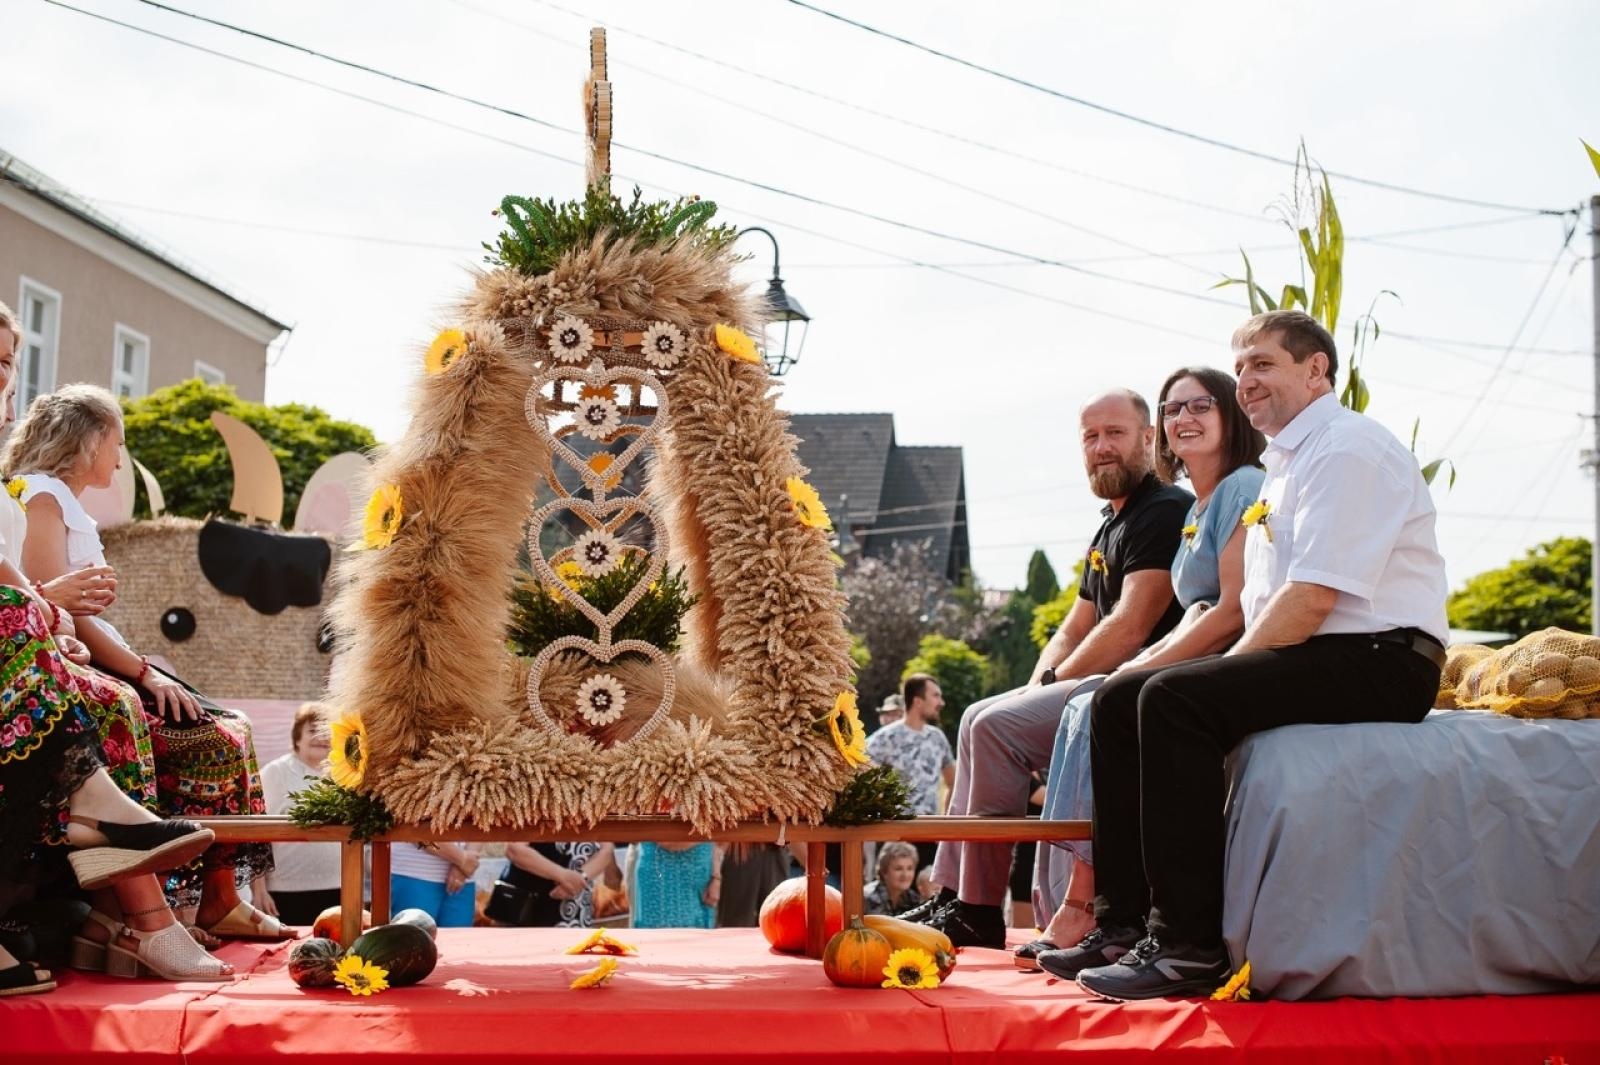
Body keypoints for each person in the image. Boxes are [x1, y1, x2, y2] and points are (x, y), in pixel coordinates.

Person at [1056, 311, 1448, 1001]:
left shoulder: (1346, 448)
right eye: (1239, 368)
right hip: (1325, 650)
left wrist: (1217, 671)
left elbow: (1313, 598)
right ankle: (1119, 924)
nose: (1245, 380)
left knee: (1172, 698)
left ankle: (1188, 949)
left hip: (1384, 659)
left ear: (1316, 369)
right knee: (1118, 698)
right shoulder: (1284, 465)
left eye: (1262, 364)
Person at [908, 390, 1192, 948]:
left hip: (1132, 688)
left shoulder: (1163, 511)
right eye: (1090, 437)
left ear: (1149, 437)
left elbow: (1131, 625)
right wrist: (1036, 687)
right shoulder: (1111, 524)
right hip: (1093, 682)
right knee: (977, 717)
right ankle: (950, 893)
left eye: (1115, 433)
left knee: (993, 727)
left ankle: (978, 910)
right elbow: (1074, 624)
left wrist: (1052, 688)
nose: (1101, 447)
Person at [5, 385, 288, 941]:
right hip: (76, 658)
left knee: (227, 730)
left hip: (90, 649)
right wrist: (142, 670)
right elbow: (60, 606)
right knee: (213, 736)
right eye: (118, 439)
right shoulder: (42, 495)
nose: (120, 454)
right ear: (89, 441)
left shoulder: (54, 498)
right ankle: (169, 906)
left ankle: (217, 898)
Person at [1024, 367, 1265, 971]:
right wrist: (1131, 669)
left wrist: (1137, 667)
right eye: (1174, 408)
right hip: (1195, 653)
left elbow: (1231, 612)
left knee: (1109, 700)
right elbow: (1191, 616)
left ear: (1231, 416)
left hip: (1233, 658)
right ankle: (1112, 916)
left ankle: (1114, 914)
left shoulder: (1241, 486)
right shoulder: (1197, 511)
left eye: (1200, 406)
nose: (1184, 418)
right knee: (1100, 701)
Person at [257, 703, 341, 926]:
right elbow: (256, 834)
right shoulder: (276, 772)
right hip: (287, 890)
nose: (321, 737)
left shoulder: (342, 775)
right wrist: (259, 890)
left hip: (340, 887)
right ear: (297, 737)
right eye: (313, 730)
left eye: (327, 731)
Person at [865, 673, 954, 870]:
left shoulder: (937, 738)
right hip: (894, 835)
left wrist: (946, 823)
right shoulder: (886, 737)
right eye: (936, 696)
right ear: (918, 701)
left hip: (929, 835)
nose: (942, 702)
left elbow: (953, 782)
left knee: (929, 895)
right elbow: (859, 770)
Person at [493, 842, 613, 928]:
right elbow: (514, 849)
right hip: (527, 910)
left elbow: (607, 850)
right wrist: (563, 876)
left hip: (576, 912)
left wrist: (581, 878)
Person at [390, 841, 480, 928]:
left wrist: (465, 863)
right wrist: (462, 859)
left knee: (461, 940)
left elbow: (485, 826)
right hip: (414, 874)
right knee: (413, 939)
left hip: (463, 879)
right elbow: (416, 832)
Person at [632, 842, 719, 929]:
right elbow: (667, 841)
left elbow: (716, 840)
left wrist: (716, 876)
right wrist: (709, 833)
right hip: (662, 883)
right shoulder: (704, 833)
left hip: (702, 887)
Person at [863, 841, 920, 917]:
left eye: (910, 868)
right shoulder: (866, 898)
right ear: (884, 871)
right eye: (898, 869)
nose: (905, 874)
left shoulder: (914, 898)